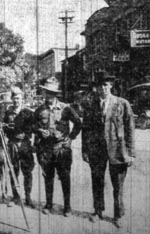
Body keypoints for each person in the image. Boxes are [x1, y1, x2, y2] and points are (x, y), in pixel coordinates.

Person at [82, 72, 135, 227]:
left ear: (111, 85)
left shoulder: (122, 103)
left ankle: (118, 215)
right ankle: (98, 211)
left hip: (118, 150)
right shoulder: (91, 105)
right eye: (99, 86)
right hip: (96, 150)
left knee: (118, 184)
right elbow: (86, 129)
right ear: (96, 88)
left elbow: (130, 128)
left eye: (105, 85)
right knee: (97, 181)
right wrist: (85, 150)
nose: (103, 88)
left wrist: (131, 153)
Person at [33, 77, 81, 216]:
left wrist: (70, 138)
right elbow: (33, 126)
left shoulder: (66, 108)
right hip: (46, 150)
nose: (48, 95)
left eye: (51, 93)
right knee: (48, 178)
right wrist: (39, 131)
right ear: (43, 93)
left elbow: (78, 123)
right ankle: (48, 204)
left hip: (61, 149)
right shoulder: (39, 110)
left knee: (65, 177)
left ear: (56, 94)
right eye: (46, 92)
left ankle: (67, 207)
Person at [3, 86, 35, 208]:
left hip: (25, 146)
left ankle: (28, 197)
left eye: (18, 98)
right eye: (14, 98)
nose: (16, 101)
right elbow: (4, 128)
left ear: (22, 99)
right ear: (12, 99)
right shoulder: (8, 113)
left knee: (27, 172)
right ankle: (16, 197)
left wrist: (26, 134)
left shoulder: (27, 113)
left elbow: (33, 128)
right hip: (12, 145)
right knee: (13, 171)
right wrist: (6, 127)